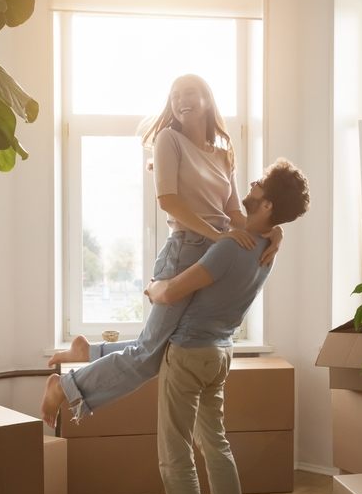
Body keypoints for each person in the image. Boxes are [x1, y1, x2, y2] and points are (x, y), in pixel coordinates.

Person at [41, 74, 282, 427]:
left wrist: (275, 232)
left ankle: (88, 353)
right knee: (148, 356)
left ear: (206, 100)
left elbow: (234, 214)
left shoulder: (222, 155)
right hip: (186, 248)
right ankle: (64, 386)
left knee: (154, 347)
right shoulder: (169, 139)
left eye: (189, 93)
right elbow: (168, 200)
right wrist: (216, 238)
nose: (181, 100)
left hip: (216, 251)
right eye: (174, 96)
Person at [142, 159, 310, 494]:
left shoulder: (230, 248)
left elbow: (171, 293)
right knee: (215, 443)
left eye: (259, 185)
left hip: (189, 354)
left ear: (267, 205)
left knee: (174, 453)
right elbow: (272, 229)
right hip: (220, 354)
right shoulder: (269, 249)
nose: (250, 185)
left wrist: (150, 287)